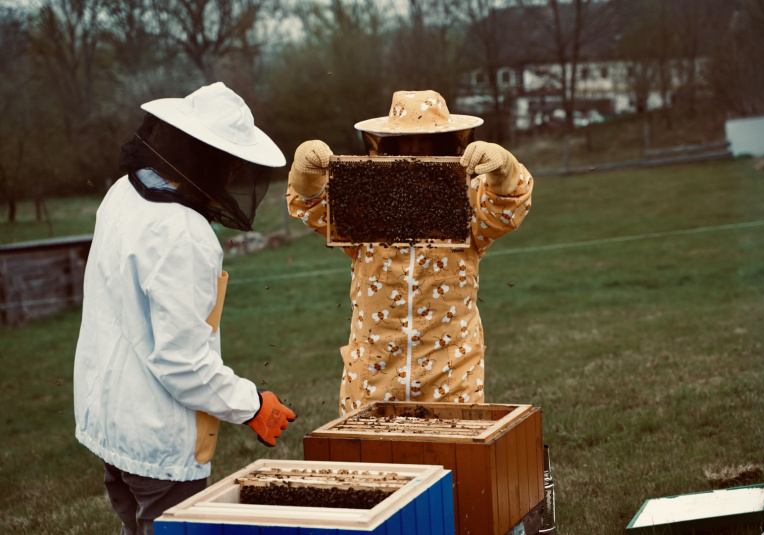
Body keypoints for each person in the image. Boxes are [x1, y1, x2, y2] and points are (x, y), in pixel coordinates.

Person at [73, 82, 296, 535]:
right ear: (209, 161)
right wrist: (251, 404)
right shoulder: (186, 235)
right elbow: (183, 363)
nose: (232, 177)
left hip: (111, 424)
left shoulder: (121, 194)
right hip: (159, 444)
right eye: (230, 165)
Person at [286, 90, 533, 414]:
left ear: (446, 143)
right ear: (391, 145)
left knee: (453, 448)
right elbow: (315, 206)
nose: (416, 149)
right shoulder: (367, 201)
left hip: (451, 373)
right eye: (407, 140)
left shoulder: (469, 200)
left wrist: (504, 170)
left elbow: (506, 206)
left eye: (427, 140)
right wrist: (305, 175)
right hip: (374, 372)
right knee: (368, 449)